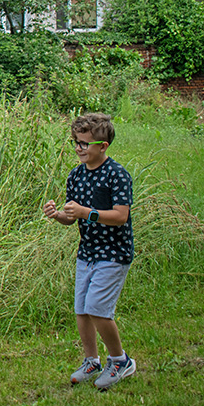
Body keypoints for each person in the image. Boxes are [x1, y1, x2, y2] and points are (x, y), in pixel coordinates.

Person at [42, 113, 136, 391]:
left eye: (84, 143)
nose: (78, 148)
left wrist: (88, 213)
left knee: (98, 309)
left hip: (114, 252)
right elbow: (72, 218)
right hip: (87, 252)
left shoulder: (116, 174)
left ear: (102, 146)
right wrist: (58, 215)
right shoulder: (76, 175)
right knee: (82, 309)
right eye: (75, 142)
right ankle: (91, 360)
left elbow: (120, 216)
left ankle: (120, 361)